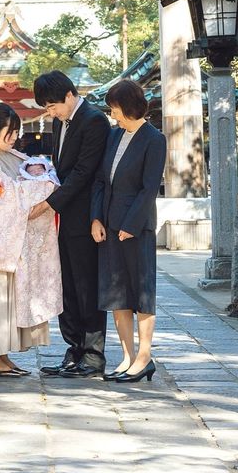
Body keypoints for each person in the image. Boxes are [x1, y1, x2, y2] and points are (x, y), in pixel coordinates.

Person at [31, 70, 111, 379]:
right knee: (66, 287)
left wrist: (49, 203)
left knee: (86, 285)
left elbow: (83, 172)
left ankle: (92, 354)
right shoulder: (57, 121)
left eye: (52, 106)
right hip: (62, 218)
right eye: (46, 108)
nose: (49, 113)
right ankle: (74, 349)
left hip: (84, 217)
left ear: (69, 96)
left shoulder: (94, 121)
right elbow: (60, 169)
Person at [0, 102, 58, 377]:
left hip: (20, 240)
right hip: (1, 241)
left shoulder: (19, 158)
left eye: (16, 132)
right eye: (9, 132)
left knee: (15, 299)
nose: (13, 138)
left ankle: (3, 355)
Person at [91, 79, 165, 383]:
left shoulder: (154, 139)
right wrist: (96, 218)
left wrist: (129, 226)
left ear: (130, 107)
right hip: (108, 226)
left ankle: (144, 357)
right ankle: (126, 357)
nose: (113, 115)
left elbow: (149, 189)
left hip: (136, 228)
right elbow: (100, 181)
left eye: (115, 108)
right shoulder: (113, 136)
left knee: (141, 293)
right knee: (116, 294)